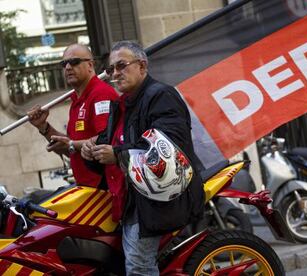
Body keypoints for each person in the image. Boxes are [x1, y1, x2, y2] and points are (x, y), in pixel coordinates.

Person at [81, 40, 204, 275]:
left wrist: (116, 155)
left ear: (142, 66)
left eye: (122, 65)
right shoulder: (119, 105)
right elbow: (109, 150)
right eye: (111, 69)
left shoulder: (161, 96)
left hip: (154, 200)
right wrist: (92, 152)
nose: (116, 73)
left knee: (138, 267)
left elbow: (168, 148)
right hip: (128, 200)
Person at [28, 43, 119, 188]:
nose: (68, 67)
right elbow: (71, 150)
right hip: (86, 187)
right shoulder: (77, 99)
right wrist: (43, 127)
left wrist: (71, 144)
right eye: (64, 64)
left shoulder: (101, 94)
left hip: (104, 188)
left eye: (74, 62)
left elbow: (106, 140)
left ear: (90, 65)